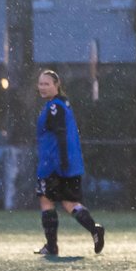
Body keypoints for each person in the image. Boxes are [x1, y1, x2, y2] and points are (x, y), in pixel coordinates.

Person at [32, 68, 105, 257]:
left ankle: (51, 246)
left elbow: (61, 134)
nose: (42, 87)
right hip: (69, 163)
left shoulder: (54, 107)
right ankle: (94, 228)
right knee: (69, 203)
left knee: (46, 200)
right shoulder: (63, 104)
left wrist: (62, 161)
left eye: (47, 84)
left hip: (53, 164)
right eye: (40, 83)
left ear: (57, 85)